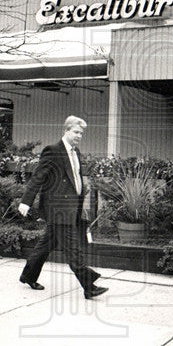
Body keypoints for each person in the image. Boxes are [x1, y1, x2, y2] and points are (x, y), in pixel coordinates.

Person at [17, 116, 107, 299]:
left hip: (71, 207)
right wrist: (26, 201)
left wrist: (81, 197)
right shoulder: (53, 151)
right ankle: (89, 286)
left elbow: (75, 179)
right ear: (65, 130)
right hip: (59, 209)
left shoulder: (76, 152)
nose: (79, 136)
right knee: (73, 249)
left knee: (45, 245)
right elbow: (38, 177)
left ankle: (28, 275)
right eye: (76, 132)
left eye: (81, 133)